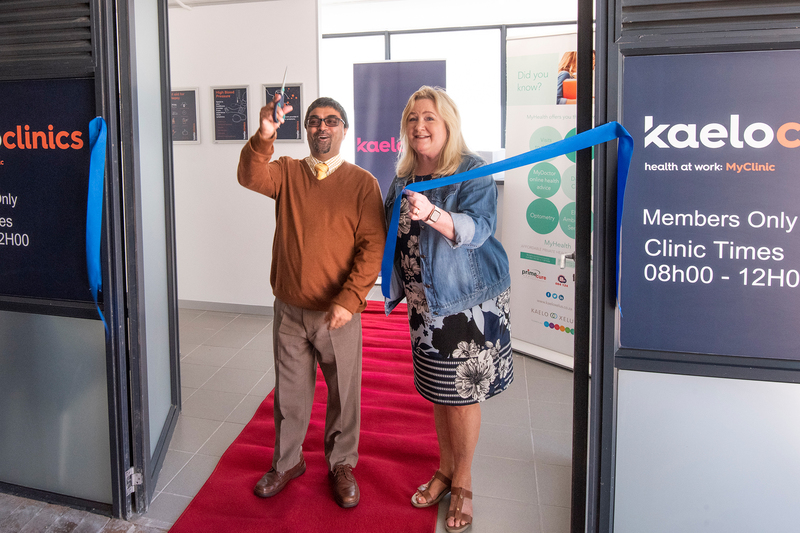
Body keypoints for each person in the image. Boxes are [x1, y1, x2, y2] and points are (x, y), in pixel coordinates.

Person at [237, 94, 386, 508]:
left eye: (332, 120)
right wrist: (264, 136)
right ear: (305, 129)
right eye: (315, 121)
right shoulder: (286, 171)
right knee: (290, 394)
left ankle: (341, 464)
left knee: (343, 393)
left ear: (344, 129)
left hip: (337, 313)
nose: (323, 127)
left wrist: (350, 299)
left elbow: (372, 248)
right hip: (289, 310)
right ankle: (287, 462)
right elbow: (250, 176)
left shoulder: (362, 184)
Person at [384, 86, 512, 533]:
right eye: (413, 118)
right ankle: (444, 468)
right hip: (423, 305)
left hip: (467, 302)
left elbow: (479, 228)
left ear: (447, 125)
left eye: (430, 118)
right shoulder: (402, 178)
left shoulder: (473, 170)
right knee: (438, 393)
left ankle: (463, 480)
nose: (420, 125)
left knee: (462, 397)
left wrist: (434, 215)